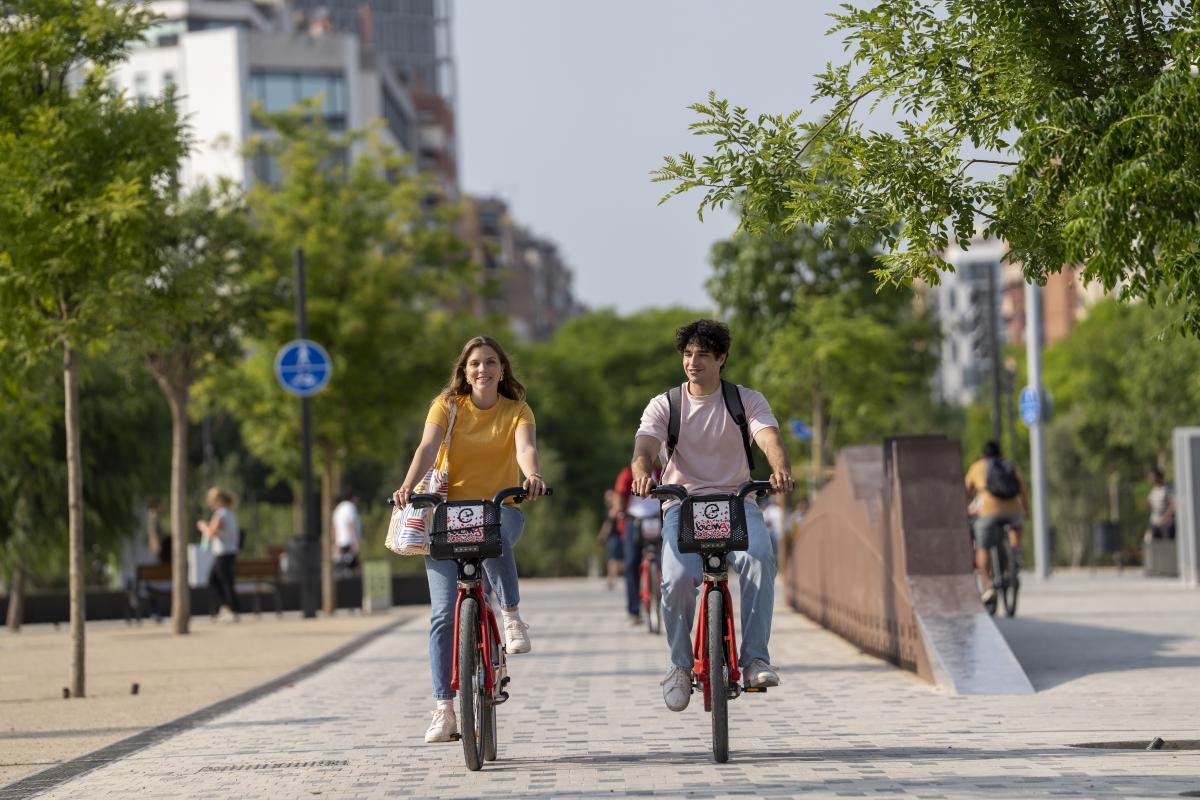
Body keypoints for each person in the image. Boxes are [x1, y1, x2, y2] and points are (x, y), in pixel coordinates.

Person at [630, 319, 794, 712]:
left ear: (722, 359)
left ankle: (755, 658)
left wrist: (779, 468)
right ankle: (679, 667)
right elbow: (645, 446)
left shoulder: (745, 400)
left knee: (759, 559)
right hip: (681, 505)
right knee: (677, 577)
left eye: (703, 354)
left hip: (737, 501)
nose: (693, 362)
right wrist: (640, 473)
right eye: (687, 354)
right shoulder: (666, 404)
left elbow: (768, 437)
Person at [391, 335, 546, 744]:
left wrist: (531, 476)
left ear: (502, 369)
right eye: (475, 363)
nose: (483, 369)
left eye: (491, 362)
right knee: (443, 614)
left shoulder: (517, 410)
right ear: (464, 370)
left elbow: (525, 448)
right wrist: (407, 486)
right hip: (444, 517)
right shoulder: (446, 406)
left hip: (500, 510)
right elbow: (426, 447)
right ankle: (444, 710)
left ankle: (510, 616)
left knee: (495, 536)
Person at [964, 441, 1029, 604]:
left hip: (987, 511)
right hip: (1014, 509)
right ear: (1000, 453)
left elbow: (965, 489)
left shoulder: (977, 467)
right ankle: (1014, 554)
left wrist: (968, 508)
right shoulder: (1009, 466)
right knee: (1015, 526)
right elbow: (1022, 490)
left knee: (983, 547)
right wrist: (1026, 511)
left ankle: (988, 586)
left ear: (983, 454)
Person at [196, 487, 241, 621]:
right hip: (229, 552)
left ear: (219, 500)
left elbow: (211, 532)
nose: (210, 504)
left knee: (217, 581)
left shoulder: (221, 514)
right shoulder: (231, 514)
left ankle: (229, 608)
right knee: (221, 581)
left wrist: (202, 526)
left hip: (223, 553)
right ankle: (228, 608)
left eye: (212, 501)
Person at [595, 489, 622, 590]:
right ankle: (611, 579)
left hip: (616, 536)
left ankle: (611, 580)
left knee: (613, 560)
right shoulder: (615, 508)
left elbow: (608, 525)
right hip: (615, 537)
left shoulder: (613, 510)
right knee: (613, 559)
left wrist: (603, 536)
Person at [332, 492, 363, 571]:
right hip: (349, 543)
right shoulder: (350, 507)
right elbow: (350, 524)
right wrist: (355, 541)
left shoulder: (338, 508)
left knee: (342, 569)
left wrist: (335, 543)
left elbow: (334, 527)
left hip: (340, 543)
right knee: (355, 569)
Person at [1147, 468, 1176, 540]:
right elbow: (1151, 504)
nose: (1150, 479)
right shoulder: (1153, 490)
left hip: (1167, 523)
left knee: (1167, 545)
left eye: (1152, 477)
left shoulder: (1167, 489)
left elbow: (1173, 506)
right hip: (1155, 523)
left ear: (1158, 477)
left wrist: (1164, 518)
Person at [147, 499, 171, 565]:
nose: (162, 508)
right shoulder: (153, 516)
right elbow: (154, 533)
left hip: (159, 544)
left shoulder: (154, 516)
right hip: (159, 545)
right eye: (160, 506)